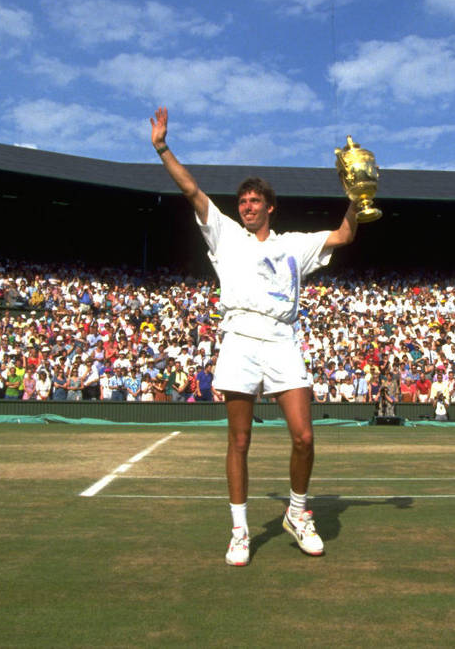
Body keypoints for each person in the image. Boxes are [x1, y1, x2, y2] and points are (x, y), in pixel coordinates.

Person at [151, 106, 360, 566]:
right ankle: (240, 531)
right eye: (242, 201)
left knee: (304, 436)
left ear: (269, 207)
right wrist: (163, 147)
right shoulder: (224, 235)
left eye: (253, 201)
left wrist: (358, 196)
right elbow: (191, 189)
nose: (245, 206)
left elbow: (345, 235)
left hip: (283, 339)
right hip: (240, 338)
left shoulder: (293, 245)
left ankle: (298, 514)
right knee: (239, 442)